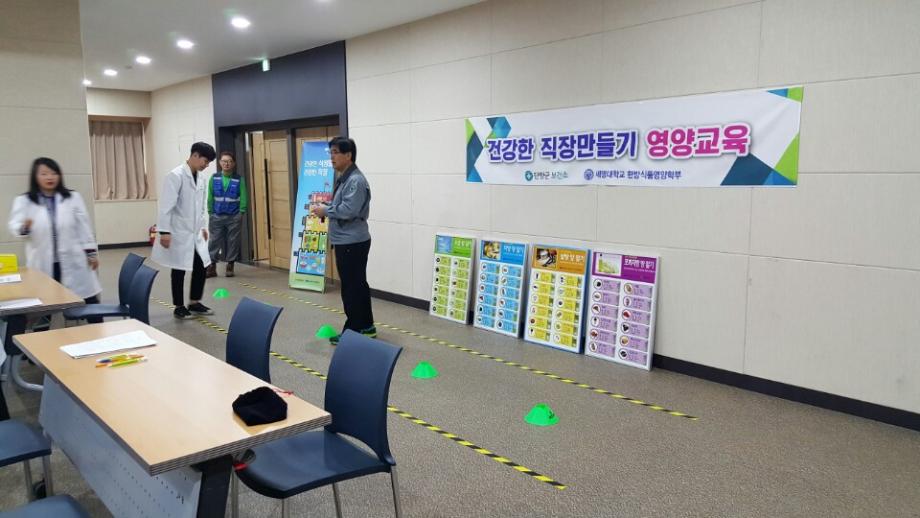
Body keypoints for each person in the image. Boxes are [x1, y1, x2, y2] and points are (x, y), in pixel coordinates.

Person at [8, 158, 103, 323]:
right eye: (44, 174)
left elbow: (84, 227)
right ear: (35, 176)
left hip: (74, 260)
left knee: (88, 299)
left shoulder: (72, 197)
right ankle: (42, 336)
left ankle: (99, 331)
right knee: (44, 305)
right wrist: (24, 227)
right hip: (43, 263)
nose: (50, 177)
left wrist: (91, 253)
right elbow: (15, 226)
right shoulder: (25, 201)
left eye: (54, 173)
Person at [310, 137, 375, 344]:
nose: (332, 157)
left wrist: (325, 210)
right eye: (330, 152)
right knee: (357, 285)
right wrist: (327, 209)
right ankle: (366, 326)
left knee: (351, 288)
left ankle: (353, 331)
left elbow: (349, 210)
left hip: (351, 242)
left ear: (348, 155)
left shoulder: (355, 180)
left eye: (336, 152)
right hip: (347, 241)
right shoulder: (344, 177)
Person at [151, 142, 216, 319]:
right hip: (178, 231)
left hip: (195, 232)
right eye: (205, 161)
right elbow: (166, 206)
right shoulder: (175, 175)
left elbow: (200, 207)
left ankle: (194, 302)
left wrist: (203, 226)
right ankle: (179, 306)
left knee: (201, 265)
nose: (206, 165)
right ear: (195, 155)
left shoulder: (201, 178)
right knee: (178, 268)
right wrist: (164, 232)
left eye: (208, 163)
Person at [206, 151, 247, 278]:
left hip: (233, 216)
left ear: (233, 163)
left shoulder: (239, 179)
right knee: (213, 241)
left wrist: (241, 212)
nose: (226, 164)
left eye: (229, 161)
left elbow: (244, 196)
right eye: (224, 161)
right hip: (216, 216)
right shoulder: (214, 178)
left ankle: (230, 265)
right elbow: (210, 196)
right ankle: (212, 267)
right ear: (220, 163)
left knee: (233, 241)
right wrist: (210, 212)